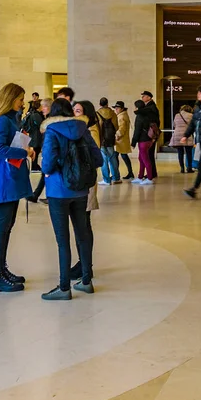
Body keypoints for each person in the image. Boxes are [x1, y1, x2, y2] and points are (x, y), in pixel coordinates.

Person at [40, 98, 103, 301]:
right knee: (82, 235)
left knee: (62, 241)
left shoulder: (52, 131)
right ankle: (86, 281)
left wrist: (48, 169)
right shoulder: (83, 128)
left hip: (58, 191)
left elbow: (48, 165)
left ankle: (64, 287)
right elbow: (98, 159)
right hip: (81, 190)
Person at [0, 83, 34, 293]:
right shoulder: (2, 120)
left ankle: (2, 270)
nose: (23, 102)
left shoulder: (8, 118)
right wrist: (25, 152)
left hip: (7, 177)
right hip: (3, 179)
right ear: (11, 99)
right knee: (1, 227)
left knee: (7, 226)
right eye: (21, 98)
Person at [71, 100, 100, 280]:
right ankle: (83, 262)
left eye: (79, 111)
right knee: (80, 226)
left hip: (86, 183)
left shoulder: (90, 132)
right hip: (80, 183)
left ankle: (85, 265)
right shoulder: (79, 130)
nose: (75, 114)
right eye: (74, 110)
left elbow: (90, 159)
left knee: (83, 226)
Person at [27, 98, 52, 204]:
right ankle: (37, 195)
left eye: (44, 106)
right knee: (45, 174)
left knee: (47, 174)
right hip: (47, 151)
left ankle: (39, 195)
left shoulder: (51, 120)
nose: (42, 109)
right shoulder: (48, 119)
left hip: (50, 152)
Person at [96, 97, 120, 186]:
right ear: (107, 103)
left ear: (100, 104)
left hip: (102, 139)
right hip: (110, 139)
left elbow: (97, 128)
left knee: (104, 159)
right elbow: (116, 127)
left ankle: (106, 180)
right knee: (112, 157)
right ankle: (116, 178)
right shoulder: (113, 113)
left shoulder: (97, 114)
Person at [130, 100, 155, 185]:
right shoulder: (148, 114)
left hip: (143, 141)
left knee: (145, 160)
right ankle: (140, 177)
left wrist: (133, 143)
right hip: (149, 140)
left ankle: (149, 178)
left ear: (137, 107)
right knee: (141, 159)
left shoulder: (139, 116)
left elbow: (137, 130)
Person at [141, 91, 160, 178]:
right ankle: (153, 172)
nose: (142, 98)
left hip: (151, 134)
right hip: (152, 133)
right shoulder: (150, 106)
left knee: (149, 153)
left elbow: (153, 121)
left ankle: (152, 173)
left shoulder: (151, 107)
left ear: (149, 97)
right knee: (150, 153)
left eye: (144, 96)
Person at [169, 105, 194, 173]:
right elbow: (193, 125)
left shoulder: (177, 115)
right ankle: (189, 168)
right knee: (189, 153)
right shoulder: (191, 115)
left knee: (180, 152)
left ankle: (182, 168)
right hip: (187, 135)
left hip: (177, 135)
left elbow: (174, 125)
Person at [114, 100, 134, 179]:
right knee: (123, 156)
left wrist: (117, 135)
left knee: (117, 157)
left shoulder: (121, 116)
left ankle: (116, 173)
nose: (116, 109)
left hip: (120, 140)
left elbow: (122, 128)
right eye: (115, 108)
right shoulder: (124, 115)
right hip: (123, 140)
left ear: (122, 109)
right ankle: (129, 172)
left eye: (117, 108)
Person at [21, 102, 44, 171]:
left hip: (33, 135)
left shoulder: (31, 113)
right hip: (36, 135)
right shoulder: (36, 115)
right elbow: (41, 124)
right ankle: (34, 165)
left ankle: (34, 165)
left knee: (35, 150)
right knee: (36, 151)